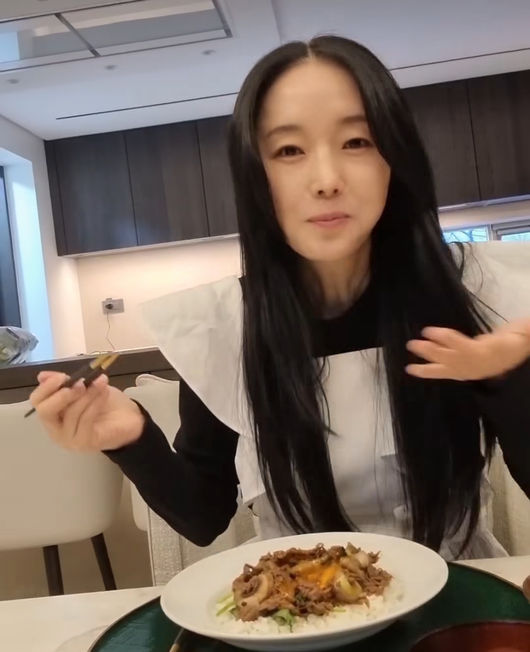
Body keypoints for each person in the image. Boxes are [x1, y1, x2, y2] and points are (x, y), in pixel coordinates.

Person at [30, 36, 530, 560]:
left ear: (394, 159)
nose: (327, 180)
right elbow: (203, 516)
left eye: (356, 141)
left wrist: (509, 379)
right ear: (255, 175)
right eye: (289, 150)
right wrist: (131, 437)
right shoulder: (224, 324)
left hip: (457, 588)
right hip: (297, 599)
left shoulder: (471, 290)